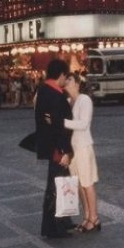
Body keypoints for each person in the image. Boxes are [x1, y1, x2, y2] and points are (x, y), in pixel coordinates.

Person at [35, 59, 75, 238]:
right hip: (58, 148)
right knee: (56, 186)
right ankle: (53, 227)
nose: (66, 80)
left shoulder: (43, 90)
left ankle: (64, 220)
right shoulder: (56, 96)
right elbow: (59, 127)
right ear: (61, 75)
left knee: (60, 183)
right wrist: (65, 151)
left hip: (48, 144)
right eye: (65, 76)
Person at [62, 73, 101, 232]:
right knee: (78, 185)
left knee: (87, 183)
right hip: (72, 149)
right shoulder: (68, 102)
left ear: (77, 83)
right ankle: (86, 216)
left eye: (69, 79)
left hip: (83, 146)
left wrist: (61, 121)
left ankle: (95, 217)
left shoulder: (85, 99)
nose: (66, 81)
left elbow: (83, 124)